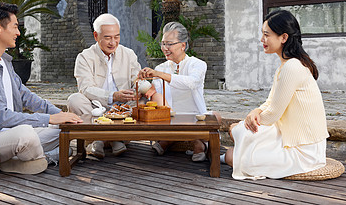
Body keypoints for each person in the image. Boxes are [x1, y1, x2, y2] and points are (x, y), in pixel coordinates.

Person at [0, 3, 82, 174]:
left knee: (62, 129)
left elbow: (27, 97)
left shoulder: (5, 61)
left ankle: (24, 159)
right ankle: (44, 157)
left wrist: (63, 117)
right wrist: (49, 118)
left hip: (9, 135)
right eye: (15, 27)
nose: (18, 33)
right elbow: (1, 117)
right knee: (26, 134)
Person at [223, 10, 329, 180]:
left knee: (233, 149)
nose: (262, 40)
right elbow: (271, 102)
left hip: (305, 152)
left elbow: (273, 115)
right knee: (238, 135)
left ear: (284, 37)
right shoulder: (285, 66)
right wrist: (255, 111)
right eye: (262, 34)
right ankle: (232, 151)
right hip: (291, 139)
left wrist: (245, 124)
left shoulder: (292, 67)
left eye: (266, 35)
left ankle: (227, 155)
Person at [138, 22, 221, 162]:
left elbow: (191, 83)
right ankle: (195, 142)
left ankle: (174, 140)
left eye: (169, 44)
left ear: (183, 45)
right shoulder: (161, 67)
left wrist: (160, 74)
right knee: (156, 99)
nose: (165, 48)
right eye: (163, 44)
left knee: (215, 117)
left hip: (195, 116)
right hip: (170, 118)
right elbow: (157, 94)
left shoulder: (198, 64)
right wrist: (146, 86)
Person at [67, 13, 141, 158]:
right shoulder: (84, 57)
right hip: (96, 107)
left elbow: (136, 80)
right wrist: (112, 96)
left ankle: (100, 140)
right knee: (74, 99)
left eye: (116, 37)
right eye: (107, 37)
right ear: (96, 36)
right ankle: (114, 140)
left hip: (123, 107)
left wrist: (140, 87)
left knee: (144, 100)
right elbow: (86, 88)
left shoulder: (129, 54)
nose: (113, 42)